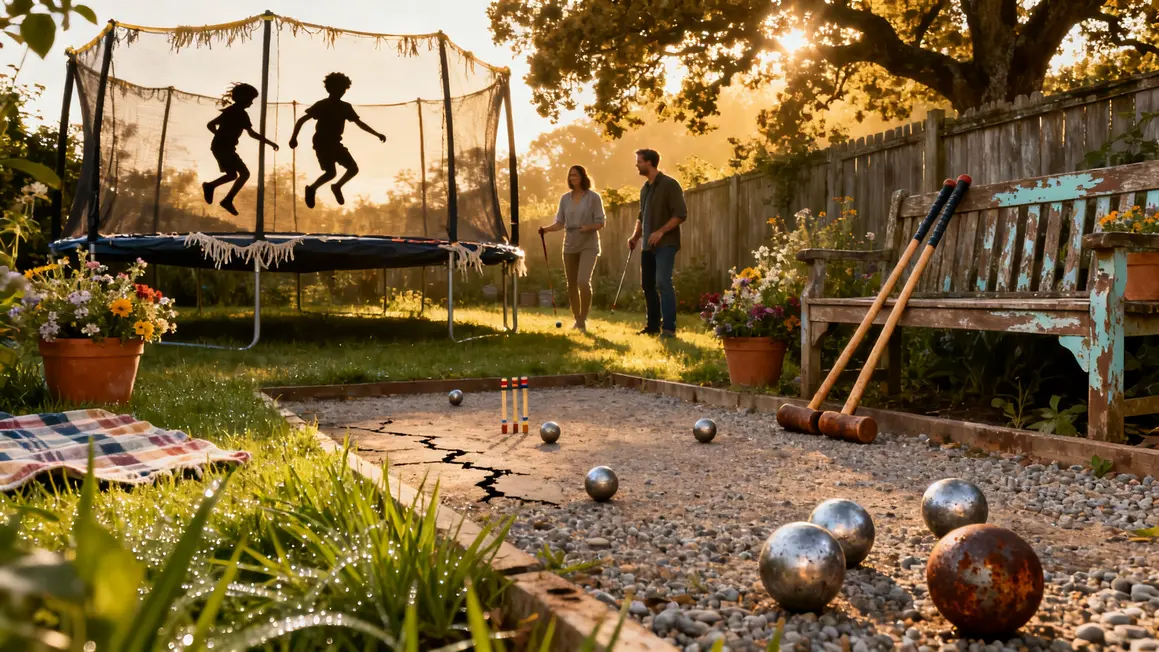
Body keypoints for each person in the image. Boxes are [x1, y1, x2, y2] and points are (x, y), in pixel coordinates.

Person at [289, 72, 386, 209]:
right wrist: (294, 138)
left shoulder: (345, 107)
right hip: (322, 142)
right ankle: (312, 189)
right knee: (331, 173)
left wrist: (376, 134)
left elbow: (359, 123)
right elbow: (301, 120)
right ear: (330, 89)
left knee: (353, 168)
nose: (341, 92)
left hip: (335, 142)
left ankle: (336, 186)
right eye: (339, 89)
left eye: (343, 90)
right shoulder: (322, 105)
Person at [627, 148, 687, 339]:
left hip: (666, 244)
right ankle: (652, 327)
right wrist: (635, 236)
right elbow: (641, 216)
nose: (637, 164)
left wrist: (661, 231)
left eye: (639, 161)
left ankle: (668, 328)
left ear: (649, 163)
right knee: (648, 285)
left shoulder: (670, 184)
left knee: (663, 282)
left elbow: (680, 214)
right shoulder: (645, 189)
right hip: (647, 246)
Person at [538, 165, 605, 332]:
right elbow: (560, 223)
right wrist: (546, 229)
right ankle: (578, 319)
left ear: (583, 176)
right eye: (570, 175)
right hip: (569, 245)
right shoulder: (565, 199)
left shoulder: (593, 198)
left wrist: (588, 228)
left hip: (588, 244)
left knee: (583, 281)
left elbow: (601, 222)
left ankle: (583, 316)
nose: (572, 178)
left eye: (575, 175)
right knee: (572, 285)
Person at [202, 82, 279, 216]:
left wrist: (219, 135)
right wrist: (269, 142)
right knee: (244, 174)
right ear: (243, 98)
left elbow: (210, 125)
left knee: (233, 175)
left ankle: (214, 189)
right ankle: (223, 196)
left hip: (222, 147)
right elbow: (251, 133)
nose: (252, 103)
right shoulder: (239, 113)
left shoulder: (231, 111)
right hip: (223, 148)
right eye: (251, 100)